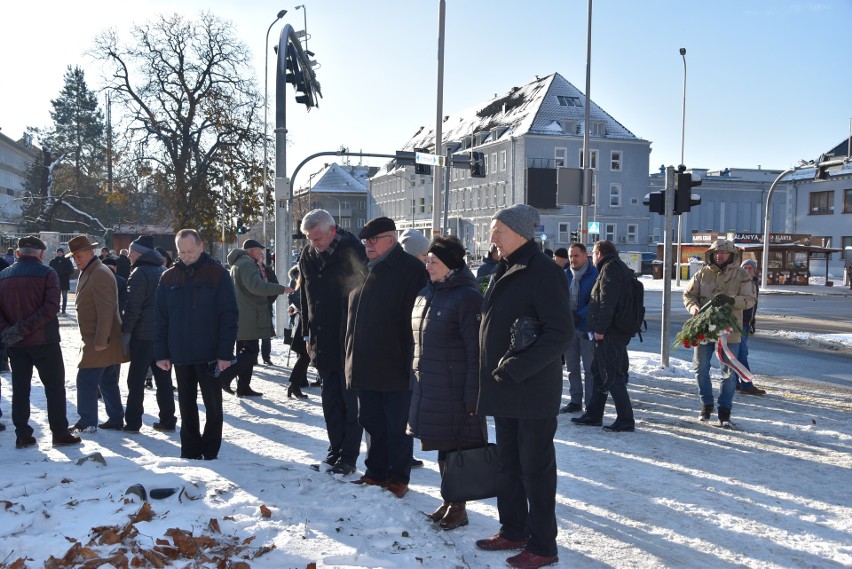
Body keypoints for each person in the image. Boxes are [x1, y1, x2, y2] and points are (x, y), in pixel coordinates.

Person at [475, 204, 570, 569]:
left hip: (531, 391)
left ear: (519, 232)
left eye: (497, 229)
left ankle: (544, 546)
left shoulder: (543, 271)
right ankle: (513, 530)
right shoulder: (507, 267)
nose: (491, 236)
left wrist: (517, 367)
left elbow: (559, 334)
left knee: (535, 471)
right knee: (509, 466)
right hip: (506, 387)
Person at [345, 216, 427, 497]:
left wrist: (411, 362)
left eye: (373, 240)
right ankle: (375, 472)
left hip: (395, 363)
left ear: (390, 240)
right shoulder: (365, 268)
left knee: (397, 426)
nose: (367, 245)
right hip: (366, 364)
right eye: (365, 241)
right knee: (371, 422)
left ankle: (398, 477)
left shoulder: (411, 270)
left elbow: (415, 322)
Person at [408, 235, 485, 530]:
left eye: (434, 261)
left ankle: (459, 506)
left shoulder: (467, 298)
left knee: (457, 449)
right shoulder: (429, 292)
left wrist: (472, 395)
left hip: (456, 390)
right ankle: (449, 500)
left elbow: (476, 352)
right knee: (443, 447)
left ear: (451, 266)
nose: (427, 265)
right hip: (432, 385)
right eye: (427, 260)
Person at [155, 229, 238, 460]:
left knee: (213, 406)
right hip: (180, 354)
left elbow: (229, 316)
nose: (186, 255)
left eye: (191, 251)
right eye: (182, 251)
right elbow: (160, 319)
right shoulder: (168, 277)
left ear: (201, 247)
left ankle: (211, 451)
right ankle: (190, 451)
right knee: (186, 406)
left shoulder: (217, 274)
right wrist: (161, 353)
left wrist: (224, 353)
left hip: (210, 354)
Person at [299, 209, 367, 475]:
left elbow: (363, 296)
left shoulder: (353, 251)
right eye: (309, 239)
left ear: (332, 230)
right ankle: (334, 450)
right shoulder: (307, 254)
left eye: (317, 239)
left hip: (348, 337)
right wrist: (306, 333)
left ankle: (348, 457)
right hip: (321, 338)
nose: (314, 245)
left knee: (351, 402)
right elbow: (305, 296)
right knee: (330, 401)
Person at [0, 236, 81, 448]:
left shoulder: (3, 276)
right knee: (54, 388)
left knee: (20, 389)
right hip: (44, 340)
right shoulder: (47, 273)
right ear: (42, 254)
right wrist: (23, 328)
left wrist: (11, 331)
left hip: (17, 342)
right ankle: (59, 433)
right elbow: (51, 307)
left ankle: (23, 434)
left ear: (17, 253)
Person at [682, 238, 756, 428]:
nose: (719, 256)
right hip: (703, 328)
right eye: (716, 253)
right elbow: (688, 295)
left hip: (729, 330)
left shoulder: (741, 275)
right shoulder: (702, 274)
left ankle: (725, 411)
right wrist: (694, 309)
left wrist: (730, 301)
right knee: (700, 368)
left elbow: (749, 299)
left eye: (723, 253)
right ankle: (706, 404)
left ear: (731, 255)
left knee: (729, 373)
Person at [571, 240, 637, 432]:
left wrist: (600, 329)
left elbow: (607, 302)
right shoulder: (616, 266)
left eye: (593, 253)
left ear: (599, 253)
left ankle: (626, 419)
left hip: (609, 333)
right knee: (598, 371)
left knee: (611, 374)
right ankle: (594, 413)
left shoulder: (610, 269)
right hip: (612, 331)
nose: (592, 256)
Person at [66, 235, 129, 433]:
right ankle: (116, 418)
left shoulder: (99, 272)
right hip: (101, 339)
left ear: (90, 252)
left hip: (100, 340)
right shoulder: (91, 270)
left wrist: (101, 340)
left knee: (85, 380)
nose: (76, 259)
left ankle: (87, 422)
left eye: (79, 255)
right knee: (108, 380)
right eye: (74, 256)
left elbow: (106, 309)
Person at [218, 239, 290, 398]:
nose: (262, 253)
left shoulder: (238, 264)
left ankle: (243, 387)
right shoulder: (247, 264)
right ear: (251, 251)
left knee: (246, 351)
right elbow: (256, 287)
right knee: (251, 351)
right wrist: (281, 289)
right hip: (249, 315)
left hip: (243, 314)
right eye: (259, 250)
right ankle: (225, 377)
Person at [121, 235, 177, 433]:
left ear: (139, 253)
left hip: (143, 336)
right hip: (162, 336)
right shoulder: (164, 270)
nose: (128, 256)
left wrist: (126, 333)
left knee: (135, 380)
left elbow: (133, 307)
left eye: (131, 252)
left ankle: (133, 422)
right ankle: (168, 420)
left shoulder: (139, 273)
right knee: (164, 380)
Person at [560, 242, 597, 414]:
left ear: (585, 256)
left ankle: (590, 403)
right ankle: (575, 400)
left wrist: (579, 315)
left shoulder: (594, 274)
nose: (572, 259)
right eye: (570, 256)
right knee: (571, 367)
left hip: (586, 327)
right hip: (568, 327)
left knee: (589, 368)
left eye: (576, 256)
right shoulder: (565, 274)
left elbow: (596, 301)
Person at [734, 259, 766, 396]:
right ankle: (746, 384)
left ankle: (734, 381)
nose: (747, 270)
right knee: (741, 354)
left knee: (737, 354)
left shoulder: (753, 283)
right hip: (737, 323)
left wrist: (752, 322)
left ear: (754, 270)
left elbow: (752, 307)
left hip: (746, 323)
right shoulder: (738, 283)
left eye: (750, 268)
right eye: (745, 267)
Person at [284, 266, 310, 399]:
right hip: (305, 323)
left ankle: (295, 385)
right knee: (305, 355)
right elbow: (295, 299)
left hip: (304, 322)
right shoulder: (305, 276)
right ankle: (295, 385)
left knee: (305, 356)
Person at [259, 254, 280, 366]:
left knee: (266, 334)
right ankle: (251, 358)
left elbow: (275, 286)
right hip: (251, 307)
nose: (260, 257)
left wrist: (269, 301)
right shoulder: (249, 269)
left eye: (262, 256)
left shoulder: (268, 270)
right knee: (250, 335)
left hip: (266, 306)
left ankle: (266, 357)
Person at [49, 248, 74, 314]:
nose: (59, 253)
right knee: (57, 296)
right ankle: (57, 309)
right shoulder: (53, 261)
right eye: (58, 252)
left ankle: (63, 309)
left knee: (64, 296)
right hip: (56, 281)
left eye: (60, 252)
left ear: (63, 253)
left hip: (64, 280)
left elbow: (71, 270)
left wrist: (64, 272)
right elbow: (49, 270)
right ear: (56, 253)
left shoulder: (67, 261)